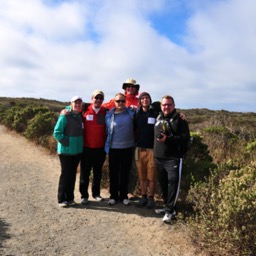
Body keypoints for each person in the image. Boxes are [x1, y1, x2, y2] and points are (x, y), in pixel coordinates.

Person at [154, 95, 190, 224]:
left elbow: (185, 138)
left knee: (173, 183)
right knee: (163, 185)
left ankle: (170, 212)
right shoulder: (158, 116)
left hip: (173, 158)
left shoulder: (180, 120)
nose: (166, 107)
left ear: (173, 106)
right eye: (164, 104)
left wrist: (167, 139)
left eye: (169, 104)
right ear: (161, 106)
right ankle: (167, 207)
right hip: (159, 157)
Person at [105, 93, 135, 206]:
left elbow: (148, 111)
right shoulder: (108, 115)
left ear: (125, 101)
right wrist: (68, 108)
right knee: (113, 173)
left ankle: (123, 196)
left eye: (123, 101)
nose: (120, 103)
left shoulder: (132, 113)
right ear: (114, 102)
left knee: (125, 173)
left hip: (127, 148)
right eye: (118, 101)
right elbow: (93, 106)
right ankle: (113, 196)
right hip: (113, 148)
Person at [53, 96, 84, 207]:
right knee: (65, 174)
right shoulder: (64, 116)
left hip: (77, 152)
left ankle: (70, 198)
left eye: (80, 103)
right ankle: (61, 199)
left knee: (72, 175)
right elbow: (57, 133)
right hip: (65, 151)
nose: (77, 105)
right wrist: (66, 143)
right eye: (75, 103)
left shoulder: (80, 116)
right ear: (71, 104)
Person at [79, 90, 107, 205]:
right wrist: (64, 109)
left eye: (101, 98)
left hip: (100, 148)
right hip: (86, 148)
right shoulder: (85, 109)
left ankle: (96, 194)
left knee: (97, 173)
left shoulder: (106, 111)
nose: (98, 100)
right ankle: (84, 196)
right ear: (92, 98)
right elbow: (72, 107)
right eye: (97, 98)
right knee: (85, 173)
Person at [134, 92, 159, 209]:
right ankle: (143, 196)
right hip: (139, 149)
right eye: (142, 98)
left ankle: (151, 198)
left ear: (150, 100)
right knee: (141, 175)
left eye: (147, 98)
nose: (145, 100)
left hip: (152, 149)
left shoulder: (155, 113)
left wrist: (181, 115)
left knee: (151, 176)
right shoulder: (136, 114)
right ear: (140, 101)